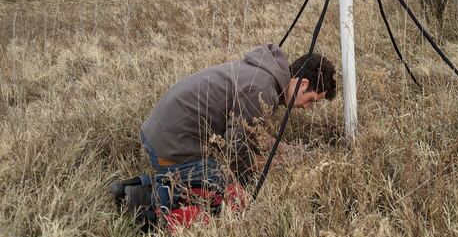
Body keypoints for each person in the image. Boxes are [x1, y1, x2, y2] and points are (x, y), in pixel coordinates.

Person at [111, 43, 336, 226]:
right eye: (311, 100)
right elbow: (237, 154)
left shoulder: (264, 76)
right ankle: (149, 202)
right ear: (303, 83)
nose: (307, 108)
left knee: (218, 177)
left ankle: (136, 187)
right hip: (171, 144)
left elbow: (251, 132)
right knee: (227, 195)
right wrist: (274, 163)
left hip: (163, 133)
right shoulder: (262, 90)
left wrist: (288, 151)